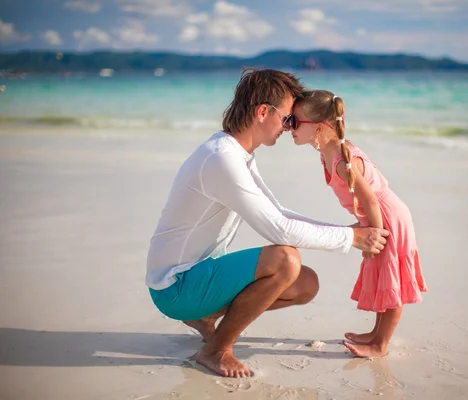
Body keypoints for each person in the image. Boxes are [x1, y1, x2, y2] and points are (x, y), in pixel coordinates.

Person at [145, 69, 389, 378]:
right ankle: (215, 350)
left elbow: (279, 212)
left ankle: (204, 316)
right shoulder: (221, 158)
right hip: (175, 286)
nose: (289, 128)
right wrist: (351, 238)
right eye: (287, 118)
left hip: (193, 276)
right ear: (263, 112)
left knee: (304, 283)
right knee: (285, 260)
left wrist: (351, 232)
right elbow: (278, 230)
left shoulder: (238, 154)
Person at [290, 90, 428, 358]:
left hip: (388, 219)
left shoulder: (343, 162)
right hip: (377, 218)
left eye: (294, 122)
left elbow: (373, 201)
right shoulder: (328, 153)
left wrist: (373, 235)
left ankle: (380, 344)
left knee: (391, 279)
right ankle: (376, 333)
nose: (288, 128)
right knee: (379, 276)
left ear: (319, 128)